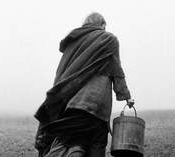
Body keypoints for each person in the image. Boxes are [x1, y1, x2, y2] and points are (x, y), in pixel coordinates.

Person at [34, 12, 134, 157]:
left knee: (75, 140)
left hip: (73, 104)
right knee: (97, 144)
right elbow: (116, 71)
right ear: (103, 24)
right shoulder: (109, 40)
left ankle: (76, 149)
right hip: (98, 107)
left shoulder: (73, 42)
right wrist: (126, 96)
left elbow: (62, 73)